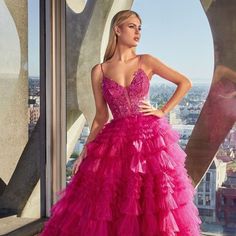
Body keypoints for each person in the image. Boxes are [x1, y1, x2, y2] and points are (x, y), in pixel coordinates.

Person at [40, 9, 202, 236]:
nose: (138, 32)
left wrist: (162, 110)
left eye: (140, 28)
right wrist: (87, 148)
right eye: (132, 26)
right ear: (117, 29)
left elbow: (185, 83)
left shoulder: (146, 61)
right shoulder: (100, 70)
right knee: (116, 204)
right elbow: (100, 116)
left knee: (153, 203)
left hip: (149, 140)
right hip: (116, 142)